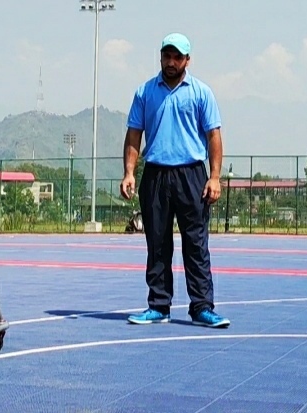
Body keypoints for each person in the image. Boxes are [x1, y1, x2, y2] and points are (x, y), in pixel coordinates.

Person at [120, 33, 230, 328]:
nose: (171, 62)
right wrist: (130, 172)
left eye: (177, 57)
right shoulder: (145, 92)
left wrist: (215, 177)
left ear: (187, 60)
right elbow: (134, 135)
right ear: (161, 57)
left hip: (192, 175)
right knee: (157, 244)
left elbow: (213, 136)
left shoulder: (201, 92)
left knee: (196, 244)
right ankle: (158, 305)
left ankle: (202, 307)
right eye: (166, 56)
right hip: (155, 175)